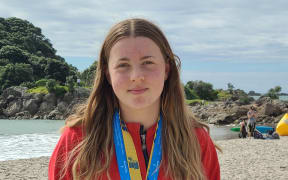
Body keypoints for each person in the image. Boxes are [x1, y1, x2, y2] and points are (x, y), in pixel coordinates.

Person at [48, 18, 220, 180]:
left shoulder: (196, 140)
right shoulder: (77, 140)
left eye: (148, 63)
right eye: (123, 65)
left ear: (167, 70)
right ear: (108, 75)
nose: (136, 76)